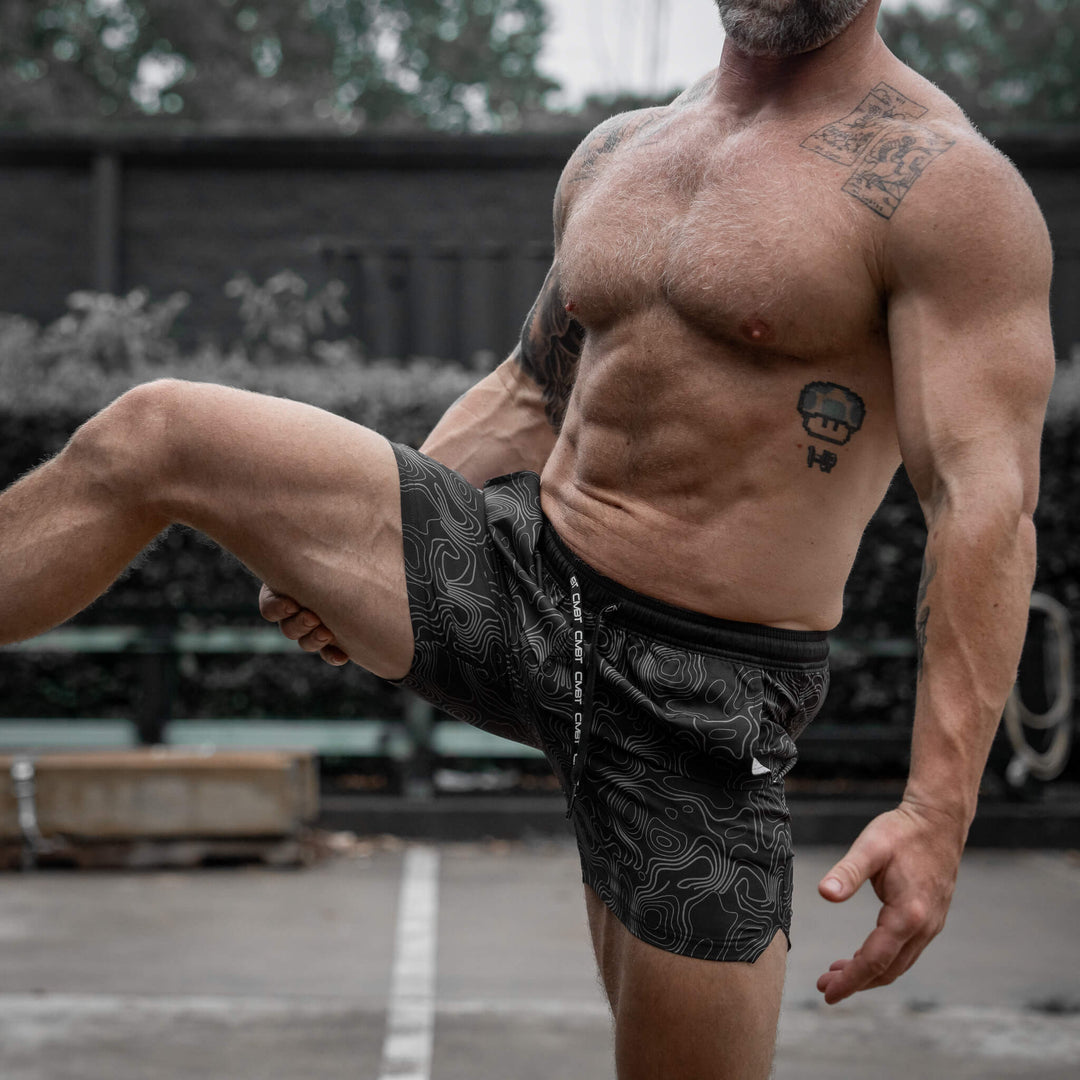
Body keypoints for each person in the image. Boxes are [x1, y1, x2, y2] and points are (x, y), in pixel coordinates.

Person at [0, 1, 1054, 1076]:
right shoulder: (624, 149)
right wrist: (365, 555)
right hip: (517, 572)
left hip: (702, 692)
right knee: (158, 432)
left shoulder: (946, 187)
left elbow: (983, 502)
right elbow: (530, 391)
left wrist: (936, 813)